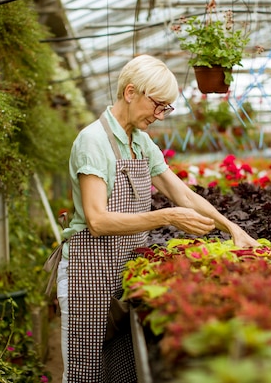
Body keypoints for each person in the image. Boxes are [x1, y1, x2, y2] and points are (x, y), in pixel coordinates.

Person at [51, 54, 259, 382]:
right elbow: (97, 220)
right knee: (85, 373)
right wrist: (166, 217)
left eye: (166, 108)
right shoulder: (93, 142)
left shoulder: (141, 143)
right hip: (88, 274)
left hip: (122, 273)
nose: (160, 115)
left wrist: (232, 229)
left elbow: (184, 195)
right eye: (158, 105)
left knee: (122, 371)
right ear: (131, 92)